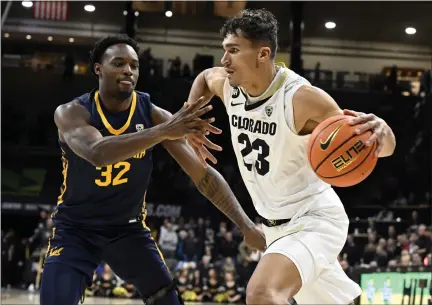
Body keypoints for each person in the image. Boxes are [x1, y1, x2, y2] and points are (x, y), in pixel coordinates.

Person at [186, 9, 396, 305]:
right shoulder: (230, 87)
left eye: (233, 51)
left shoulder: (301, 99)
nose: (224, 60)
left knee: (262, 293)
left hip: (314, 219)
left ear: (263, 54)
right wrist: (191, 115)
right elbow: (206, 78)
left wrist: (383, 132)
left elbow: (376, 146)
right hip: (276, 228)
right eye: (224, 50)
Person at [40, 35, 265, 305]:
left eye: (134, 65)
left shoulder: (152, 114)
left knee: (168, 300)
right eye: (119, 63)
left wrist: (246, 225)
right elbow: (97, 154)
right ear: (98, 69)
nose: (128, 71)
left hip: (127, 229)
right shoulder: (71, 113)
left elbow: (203, 176)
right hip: (76, 229)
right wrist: (162, 132)